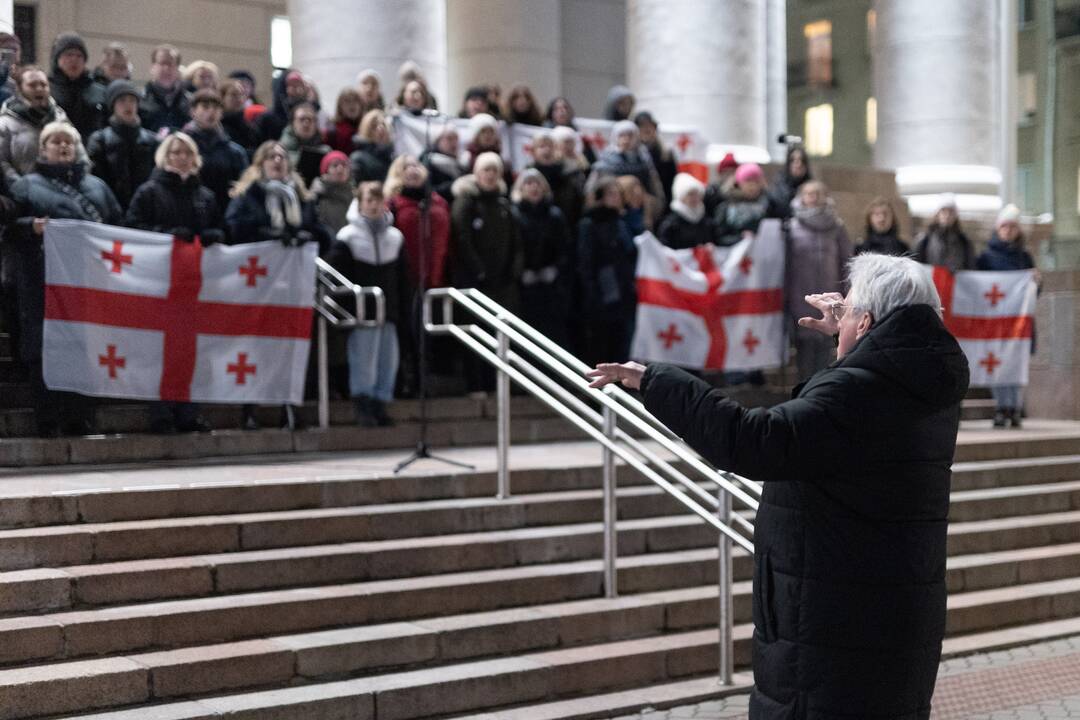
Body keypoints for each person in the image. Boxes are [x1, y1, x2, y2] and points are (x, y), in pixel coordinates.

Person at [586, 253, 970, 720]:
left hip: (830, 629)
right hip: (890, 614)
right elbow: (864, 396)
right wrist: (853, 332)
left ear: (867, 322)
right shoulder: (924, 383)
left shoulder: (856, 392)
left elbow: (753, 440)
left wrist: (658, 381)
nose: (840, 317)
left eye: (849, 311)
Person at [9, 121, 121, 436]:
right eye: (55, 142)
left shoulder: (98, 188)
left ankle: (79, 416)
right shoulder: (26, 186)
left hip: (87, 282)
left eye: (68, 142)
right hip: (41, 281)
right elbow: (9, 229)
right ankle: (46, 417)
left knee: (83, 346)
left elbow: (118, 226)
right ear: (43, 149)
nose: (62, 147)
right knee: (43, 347)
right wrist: (31, 226)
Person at [225, 140, 330, 430]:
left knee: (291, 348)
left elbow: (323, 233)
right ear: (260, 163)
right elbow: (234, 228)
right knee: (255, 347)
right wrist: (268, 234)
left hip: (293, 287)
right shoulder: (248, 195)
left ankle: (290, 408)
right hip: (258, 286)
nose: (277, 161)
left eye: (282, 157)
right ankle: (250, 409)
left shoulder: (301, 196)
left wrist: (304, 235)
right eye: (270, 156)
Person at [125, 132, 222, 434]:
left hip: (195, 287)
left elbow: (220, 228)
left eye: (186, 152)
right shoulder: (149, 192)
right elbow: (134, 229)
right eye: (175, 152)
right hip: (161, 286)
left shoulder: (205, 196)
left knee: (194, 350)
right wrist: (166, 233)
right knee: (160, 351)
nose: (181, 157)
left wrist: (215, 236)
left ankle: (189, 412)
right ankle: (162, 413)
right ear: (165, 157)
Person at [327, 181, 408, 426]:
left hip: (388, 310)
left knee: (387, 361)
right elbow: (336, 274)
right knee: (364, 359)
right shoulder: (348, 236)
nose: (374, 206)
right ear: (360, 204)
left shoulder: (395, 237)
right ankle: (362, 404)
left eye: (378, 200)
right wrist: (347, 308)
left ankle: (380, 404)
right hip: (363, 311)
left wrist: (401, 308)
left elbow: (404, 277)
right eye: (369, 201)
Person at [450, 152, 522, 391]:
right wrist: (479, 271)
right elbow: (462, 239)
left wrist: (512, 271)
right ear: (476, 173)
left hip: (502, 284)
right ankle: (476, 384)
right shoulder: (466, 201)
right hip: (476, 283)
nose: (490, 175)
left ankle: (495, 385)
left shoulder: (503, 204)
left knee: (499, 335)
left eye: (495, 171)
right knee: (476, 334)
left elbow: (515, 241)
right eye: (486, 170)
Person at [385, 153, 451, 395]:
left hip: (435, 277)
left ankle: (426, 380)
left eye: (416, 165)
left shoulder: (437, 202)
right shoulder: (392, 203)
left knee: (429, 334)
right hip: (406, 279)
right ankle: (408, 381)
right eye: (406, 166)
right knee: (409, 332)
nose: (412, 170)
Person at [976, 203, 1037, 429]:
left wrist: (1036, 283)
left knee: (1017, 363)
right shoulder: (986, 258)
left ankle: (1015, 407)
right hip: (996, 322)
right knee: (998, 364)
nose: (1008, 231)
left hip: (1019, 322)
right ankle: (1002, 407)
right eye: (1004, 226)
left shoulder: (1025, 257)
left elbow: (1033, 293)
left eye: (1012, 227)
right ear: (998, 229)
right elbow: (976, 287)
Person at [786, 180, 854, 382]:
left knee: (826, 350)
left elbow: (846, 262)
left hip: (830, 298)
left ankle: (820, 394)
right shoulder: (791, 227)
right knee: (804, 353)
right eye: (809, 193)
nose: (813, 197)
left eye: (818, 193)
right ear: (802, 197)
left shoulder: (836, 227)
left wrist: (848, 295)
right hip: (801, 298)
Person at [576, 175, 636, 367]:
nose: (616, 198)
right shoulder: (590, 224)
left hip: (623, 290)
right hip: (603, 292)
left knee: (621, 340)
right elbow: (586, 262)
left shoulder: (621, 223)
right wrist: (593, 292)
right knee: (602, 342)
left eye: (618, 194)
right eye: (611, 194)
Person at [511, 168, 572, 348]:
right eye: (528, 183)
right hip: (524, 287)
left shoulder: (555, 215)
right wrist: (520, 272)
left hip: (551, 286)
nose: (533, 187)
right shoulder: (514, 214)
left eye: (537, 183)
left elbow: (565, 248)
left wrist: (555, 269)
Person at [86, 80, 159, 211]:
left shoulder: (152, 140)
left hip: (146, 209)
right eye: (122, 100)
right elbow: (96, 180)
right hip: (110, 208)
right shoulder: (100, 139)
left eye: (132, 100)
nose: (128, 105)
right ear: (113, 105)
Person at [0, 66, 73, 186]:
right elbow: (2, 162)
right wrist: (21, 186)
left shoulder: (60, 117)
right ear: (19, 89)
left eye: (43, 85)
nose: (39, 89)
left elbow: (78, 151)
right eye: (32, 85)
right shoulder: (5, 123)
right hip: (23, 194)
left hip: (63, 189)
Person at [183, 89, 249, 213]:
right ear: (193, 112)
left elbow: (242, 190)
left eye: (216, 108)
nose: (211, 112)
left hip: (223, 214)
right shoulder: (179, 148)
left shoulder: (235, 152)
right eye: (205, 107)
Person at [47, 33, 105, 141]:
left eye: (79, 56)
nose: (74, 60)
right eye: (68, 55)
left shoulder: (99, 91)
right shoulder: (47, 89)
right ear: (57, 59)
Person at [591, 120, 663, 200]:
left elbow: (656, 190)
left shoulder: (644, 161)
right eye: (622, 135)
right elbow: (591, 191)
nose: (626, 139)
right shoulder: (605, 162)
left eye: (630, 135)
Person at [528, 130, 584, 229]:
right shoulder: (528, 175)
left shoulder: (570, 173)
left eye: (550, 146)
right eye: (541, 146)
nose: (546, 150)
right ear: (534, 151)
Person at [712, 163, 775, 247]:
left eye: (756, 181)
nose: (752, 185)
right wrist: (740, 237)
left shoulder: (768, 205)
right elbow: (718, 238)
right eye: (748, 180)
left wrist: (768, 192)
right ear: (739, 183)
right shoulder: (727, 207)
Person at [913, 194, 974, 273]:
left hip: (956, 284)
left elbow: (970, 267)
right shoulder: (924, 240)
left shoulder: (964, 242)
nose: (947, 215)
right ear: (937, 214)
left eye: (951, 211)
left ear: (956, 216)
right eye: (943, 211)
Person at [140, 45, 191, 134]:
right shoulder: (139, 99)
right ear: (152, 67)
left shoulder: (190, 101)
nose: (166, 68)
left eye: (171, 64)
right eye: (162, 63)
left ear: (178, 68)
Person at [279, 101, 329, 185]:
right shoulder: (279, 151)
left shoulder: (325, 151)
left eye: (310, 120)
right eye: (302, 119)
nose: (306, 123)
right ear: (293, 123)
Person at [657, 173, 711, 250]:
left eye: (697, 194)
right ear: (681, 197)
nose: (695, 198)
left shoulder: (705, 219)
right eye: (690, 194)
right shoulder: (671, 224)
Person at [634, 111, 677, 208]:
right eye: (642, 126)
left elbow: (672, 181)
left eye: (650, 126)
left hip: (664, 202)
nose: (647, 129)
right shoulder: (633, 154)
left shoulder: (666, 153)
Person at [310, 150, 353, 235]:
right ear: (326, 171)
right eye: (335, 165)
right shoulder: (316, 195)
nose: (340, 169)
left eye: (344, 165)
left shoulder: (355, 196)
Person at [420, 125, 464, 205]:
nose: (454, 143)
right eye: (449, 139)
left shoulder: (462, 162)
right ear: (438, 141)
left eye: (456, 139)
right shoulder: (429, 162)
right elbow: (428, 191)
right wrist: (452, 186)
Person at [349, 108, 394, 183]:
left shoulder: (394, 155)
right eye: (374, 126)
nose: (380, 128)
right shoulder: (358, 158)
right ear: (366, 130)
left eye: (383, 124)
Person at [767, 145, 811, 219]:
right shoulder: (778, 188)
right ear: (788, 164)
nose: (798, 164)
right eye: (793, 160)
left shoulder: (812, 187)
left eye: (802, 160)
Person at [219, 79, 259, 155]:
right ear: (222, 98)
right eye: (233, 94)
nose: (238, 98)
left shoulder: (249, 123)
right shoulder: (218, 124)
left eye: (241, 94)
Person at [326, 88, 364, 155]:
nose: (352, 105)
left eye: (355, 100)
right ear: (340, 107)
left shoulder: (367, 127)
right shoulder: (332, 130)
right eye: (347, 101)